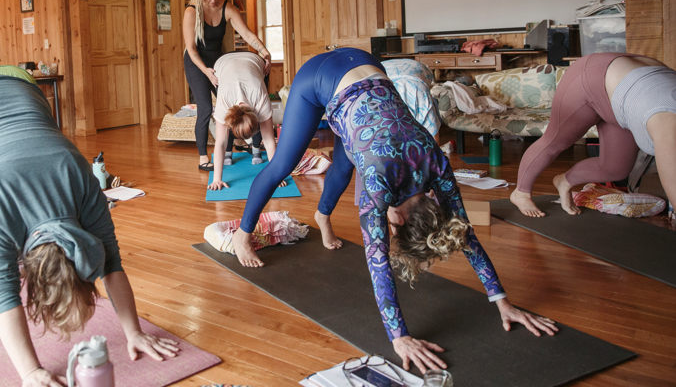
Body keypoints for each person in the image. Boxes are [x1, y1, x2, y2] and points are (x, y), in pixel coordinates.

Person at [232, 48, 557, 372]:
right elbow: (378, 263)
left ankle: (323, 215)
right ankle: (243, 236)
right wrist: (398, 336)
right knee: (282, 166)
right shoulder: (379, 182)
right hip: (318, 75)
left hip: (367, 64)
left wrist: (503, 301)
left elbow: (464, 234)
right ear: (398, 218)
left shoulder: (436, 162)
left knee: (344, 167)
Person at [0, 74, 177, 387]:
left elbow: (111, 264)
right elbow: (2, 295)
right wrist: (30, 372)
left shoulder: (81, 180)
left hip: (23, 93)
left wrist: (134, 332)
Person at [511, 53, 676, 218]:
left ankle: (564, 181)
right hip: (593, 76)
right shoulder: (669, 128)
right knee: (554, 142)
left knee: (615, 169)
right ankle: (521, 193)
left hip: (631, 88)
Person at [183, 0, 272, 171]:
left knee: (232, 104)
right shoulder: (191, 12)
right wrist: (206, 71)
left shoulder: (227, 8)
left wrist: (264, 51)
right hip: (196, 63)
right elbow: (191, 48)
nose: (214, 0)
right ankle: (203, 157)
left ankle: (238, 142)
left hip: (218, 61)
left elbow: (247, 34)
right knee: (205, 109)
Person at [208, 51, 284, 190]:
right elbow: (221, 142)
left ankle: (254, 149)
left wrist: (276, 176)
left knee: (261, 77)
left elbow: (268, 140)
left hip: (253, 59)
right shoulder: (224, 103)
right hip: (223, 63)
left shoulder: (261, 100)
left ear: (257, 116)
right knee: (222, 137)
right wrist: (217, 179)